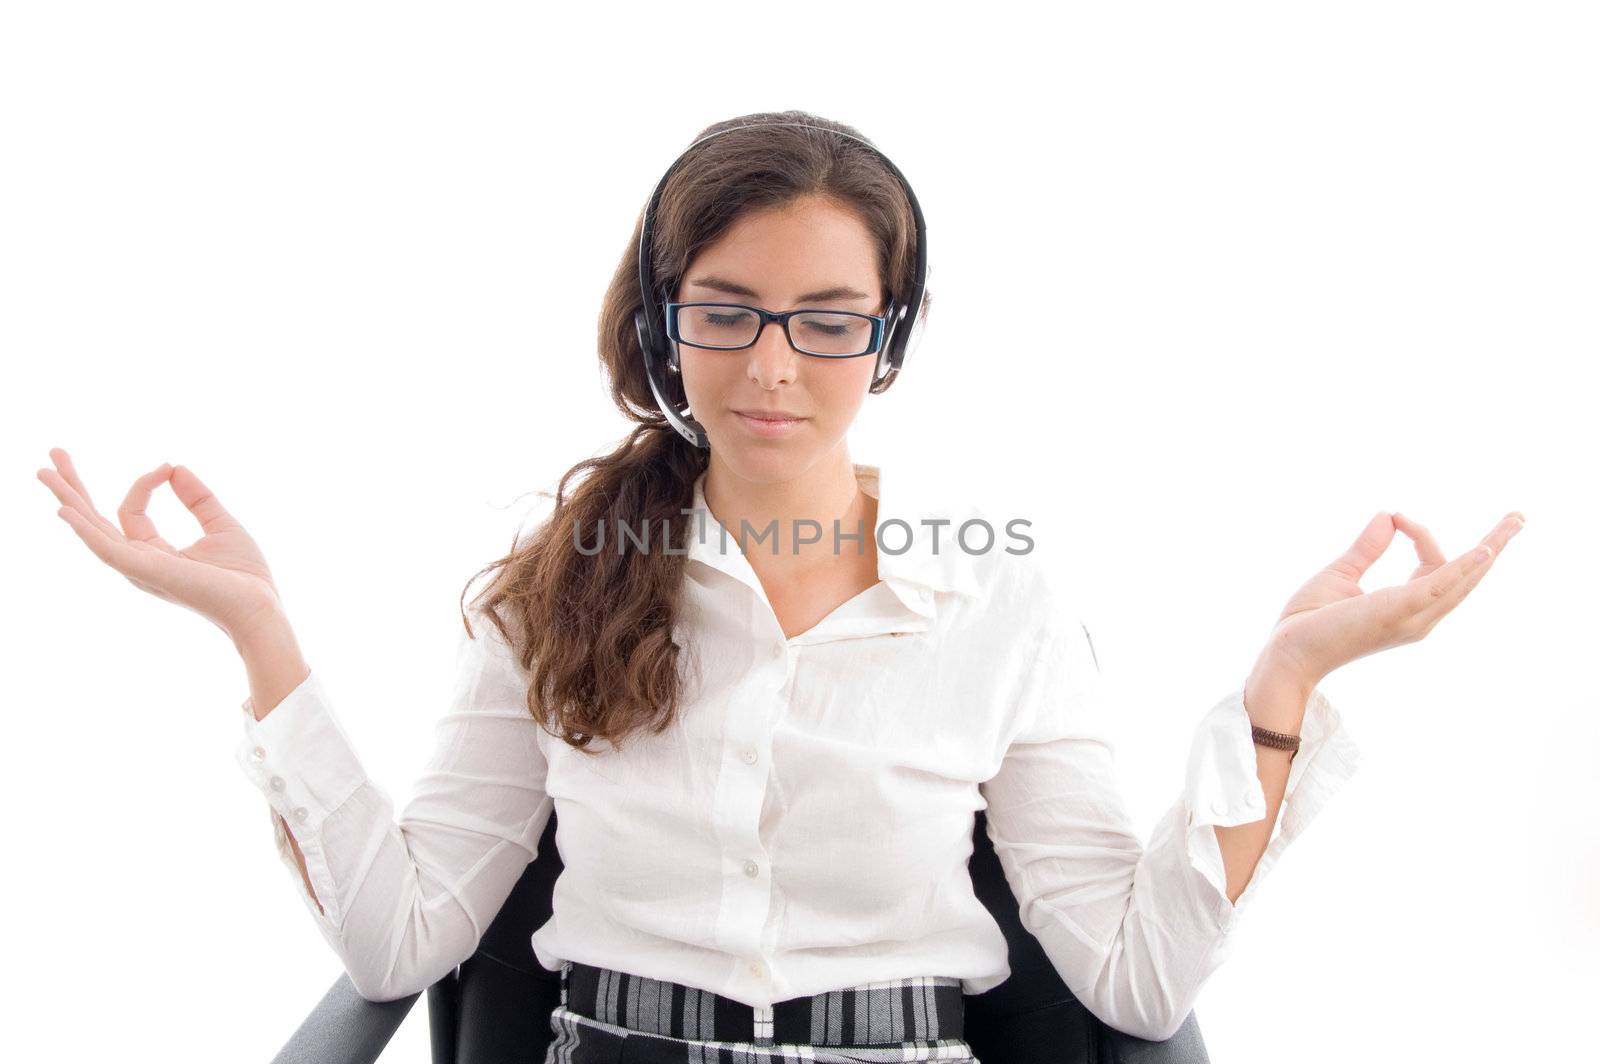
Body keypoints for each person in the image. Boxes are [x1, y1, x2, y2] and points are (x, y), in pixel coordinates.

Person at [37, 109, 1525, 1064]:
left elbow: (1135, 981)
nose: (769, 366)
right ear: (662, 319)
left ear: (887, 340)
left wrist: (1281, 690)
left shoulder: (997, 609)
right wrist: (261, 638)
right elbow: (398, 942)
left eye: (826, 323)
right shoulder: (550, 593)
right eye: (727, 312)